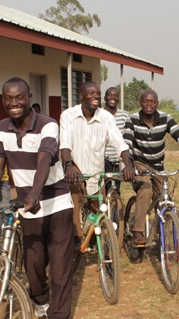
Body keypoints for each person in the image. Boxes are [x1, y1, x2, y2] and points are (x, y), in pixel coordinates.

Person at [0, 77, 75, 319]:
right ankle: (40, 300)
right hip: (29, 205)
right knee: (33, 263)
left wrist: (36, 192)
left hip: (56, 202)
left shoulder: (48, 124)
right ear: (2, 100)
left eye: (19, 98)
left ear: (29, 98)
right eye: (8, 99)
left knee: (60, 266)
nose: (13, 103)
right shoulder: (3, 128)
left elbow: (44, 159)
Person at [60, 81, 134, 246]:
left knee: (97, 212)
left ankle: (96, 246)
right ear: (81, 96)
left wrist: (128, 164)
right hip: (75, 169)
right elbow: (65, 145)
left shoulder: (106, 117)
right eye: (91, 93)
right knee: (75, 200)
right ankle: (74, 241)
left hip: (96, 173)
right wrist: (68, 166)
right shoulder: (68, 115)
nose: (96, 97)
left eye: (98, 94)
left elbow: (120, 144)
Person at [127, 89, 179, 245]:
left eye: (152, 101)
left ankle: (165, 238)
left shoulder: (166, 118)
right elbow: (127, 143)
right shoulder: (132, 119)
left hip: (158, 166)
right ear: (140, 103)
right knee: (145, 189)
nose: (149, 104)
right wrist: (130, 165)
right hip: (139, 164)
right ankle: (137, 230)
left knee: (165, 198)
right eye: (146, 101)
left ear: (157, 104)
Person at [102, 86, 135, 196]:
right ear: (105, 98)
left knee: (115, 189)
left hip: (119, 158)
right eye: (110, 95)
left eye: (115, 95)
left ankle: (115, 210)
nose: (113, 98)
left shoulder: (124, 115)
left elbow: (129, 136)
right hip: (103, 158)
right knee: (104, 189)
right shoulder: (99, 114)